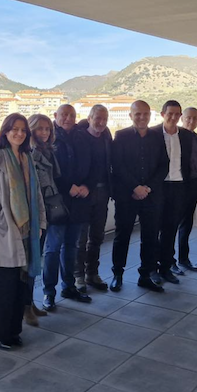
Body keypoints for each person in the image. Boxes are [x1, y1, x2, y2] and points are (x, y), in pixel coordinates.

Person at [0, 113, 46, 349]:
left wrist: (41, 222)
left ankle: (14, 330)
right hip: (4, 231)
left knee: (20, 285)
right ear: (5, 131)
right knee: (4, 286)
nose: (19, 133)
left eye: (23, 130)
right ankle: (0, 333)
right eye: (14, 129)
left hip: (27, 231)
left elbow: (36, 194)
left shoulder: (26, 157)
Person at [110, 100, 167, 292]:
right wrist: (135, 187)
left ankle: (146, 275)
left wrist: (147, 188)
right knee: (122, 236)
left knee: (150, 237)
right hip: (127, 195)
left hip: (151, 196)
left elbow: (163, 165)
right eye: (138, 114)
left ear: (150, 115)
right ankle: (117, 273)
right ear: (131, 116)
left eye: (145, 114)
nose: (142, 117)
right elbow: (117, 165)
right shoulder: (121, 136)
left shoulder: (157, 137)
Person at [41, 104, 92, 310]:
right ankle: (48, 293)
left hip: (80, 200)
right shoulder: (49, 139)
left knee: (72, 247)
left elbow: (94, 164)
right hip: (57, 202)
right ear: (56, 116)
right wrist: (68, 187)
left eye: (71, 115)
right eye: (64, 115)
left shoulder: (83, 137)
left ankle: (68, 287)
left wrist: (86, 186)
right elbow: (49, 172)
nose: (68, 118)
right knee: (52, 249)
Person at [156, 100, 197, 284]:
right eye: (170, 114)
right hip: (158, 187)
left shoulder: (187, 136)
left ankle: (167, 268)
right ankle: (152, 268)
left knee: (170, 230)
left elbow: (192, 164)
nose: (174, 117)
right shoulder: (153, 134)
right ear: (162, 114)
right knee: (155, 231)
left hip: (179, 187)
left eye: (177, 114)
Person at [73, 105, 112, 292]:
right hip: (84, 194)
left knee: (97, 236)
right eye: (97, 118)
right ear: (89, 118)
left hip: (103, 192)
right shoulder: (80, 138)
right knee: (81, 239)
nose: (101, 122)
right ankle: (78, 276)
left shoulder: (106, 136)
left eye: (105, 118)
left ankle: (92, 273)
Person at [27, 113, 58, 325]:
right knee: (30, 261)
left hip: (46, 211)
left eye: (47, 129)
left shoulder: (48, 151)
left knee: (35, 260)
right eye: (40, 128)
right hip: (35, 213)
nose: (44, 133)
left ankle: (29, 303)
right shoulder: (30, 153)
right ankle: (25, 305)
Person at [176, 106, 197, 272]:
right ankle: (168, 260)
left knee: (187, 224)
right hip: (179, 186)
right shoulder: (176, 137)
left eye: (195, 118)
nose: (192, 121)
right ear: (182, 118)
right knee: (172, 225)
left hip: (194, 185)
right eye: (188, 118)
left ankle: (183, 258)